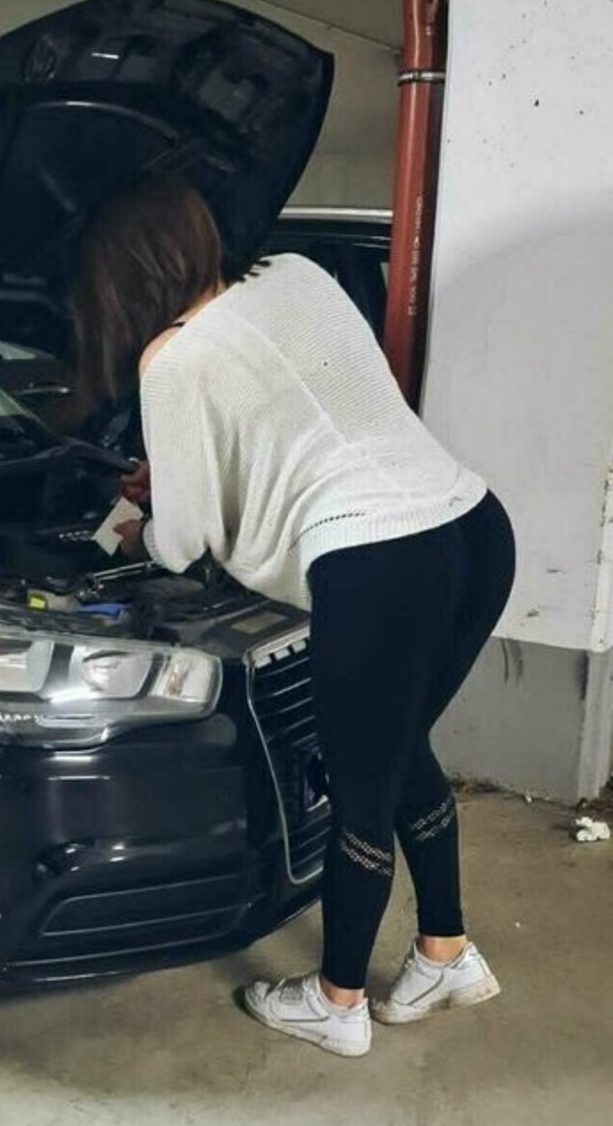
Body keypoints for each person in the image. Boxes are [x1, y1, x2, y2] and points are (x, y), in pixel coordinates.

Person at [72, 176, 516, 1059]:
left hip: (379, 564)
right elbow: (304, 420)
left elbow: (183, 541)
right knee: (400, 748)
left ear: (119, 281)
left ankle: (337, 999)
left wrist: (134, 530)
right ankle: (445, 951)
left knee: (361, 787)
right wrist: (183, 469)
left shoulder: (172, 360)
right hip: (472, 527)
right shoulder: (295, 275)